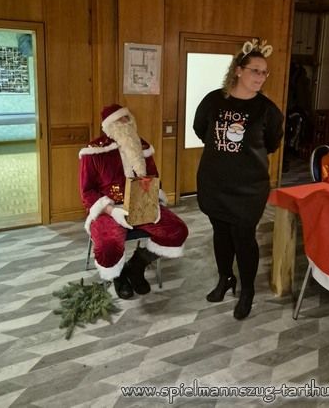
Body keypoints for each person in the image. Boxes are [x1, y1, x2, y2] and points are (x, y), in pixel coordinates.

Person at [193, 43, 284, 320]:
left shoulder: (267, 110)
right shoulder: (213, 101)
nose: (260, 77)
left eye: (264, 72)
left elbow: (271, 143)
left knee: (244, 238)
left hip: (249, 189)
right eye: (255, 70)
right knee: (221, 233)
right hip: (215, 183)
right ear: (238, 71)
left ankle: (247, 292)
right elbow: (200, 129)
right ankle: (226, 278)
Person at [79, 104, 188, 299]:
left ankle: (136, 266)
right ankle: (118, 276)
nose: (126, 123)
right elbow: (87, 192)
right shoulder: (94, 151)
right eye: (120, 119)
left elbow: (154, 178)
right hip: (109, 209)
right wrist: (111, 210)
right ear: (109, 125)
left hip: (141, 204)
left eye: (127, 118)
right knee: (108, 244)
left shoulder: (142, 146)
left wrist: (149, 199)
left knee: (177, 230)